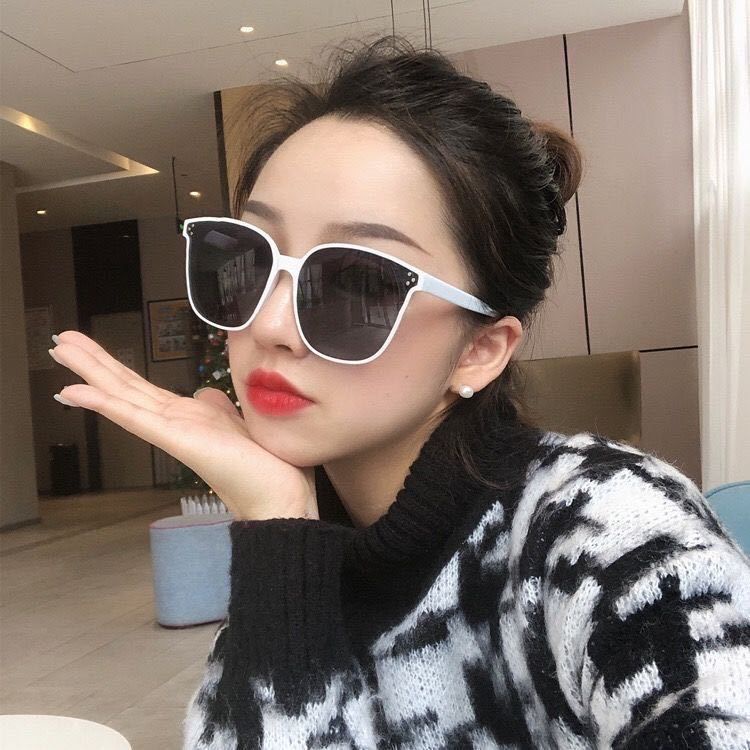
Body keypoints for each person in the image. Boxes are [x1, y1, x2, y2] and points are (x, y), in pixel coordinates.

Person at [49, 35, 750, 750]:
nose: (270, 325)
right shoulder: (291, 551)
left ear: (479, 350)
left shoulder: (606, 528)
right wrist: (278, 528)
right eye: (250, 261)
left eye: (356, 284)